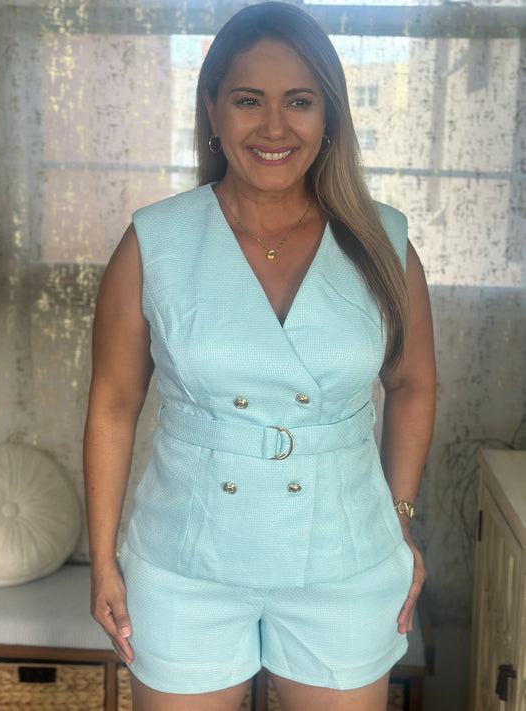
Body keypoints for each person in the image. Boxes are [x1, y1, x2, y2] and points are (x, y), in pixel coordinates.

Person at [83, 3, 436, 710]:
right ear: (212, 111)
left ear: (328, 116)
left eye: (298, 101)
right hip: (184, 564)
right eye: (249, 100)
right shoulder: (154, 242)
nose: (274, 128)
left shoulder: (383, 242)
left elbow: (413, 384)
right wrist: (102, 559)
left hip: (347, 561)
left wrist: (398, 517)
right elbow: (114, 405)